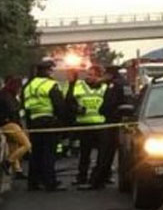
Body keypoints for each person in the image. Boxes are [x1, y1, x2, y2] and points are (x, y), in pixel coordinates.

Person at [21, 61, 68, 192]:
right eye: (50, 70)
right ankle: (50, 182)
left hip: (34, 121)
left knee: (36, 153)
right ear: (47, 71)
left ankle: (33, 183)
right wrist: (62, 122)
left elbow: (24, 104)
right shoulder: (50, 84)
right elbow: (59, 105)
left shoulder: (29, 86)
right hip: (49, 121)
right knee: (49, 153)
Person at [66, 65, 108, 187]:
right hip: (84, 124)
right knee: (84, 154)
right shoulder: (79, 86)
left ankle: (100, 177)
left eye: (91, 74)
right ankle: (81, 177)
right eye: (88, 74)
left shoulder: (105, 88)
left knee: (102, 155)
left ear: (99, 76)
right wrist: (76, 109)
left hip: (101, 125)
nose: (88, 77)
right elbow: (69, 101)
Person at [90, 65, 127, 189]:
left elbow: (109, 104)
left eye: (105, 74)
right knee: (116, 153)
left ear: (110, 74)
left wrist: (101, 110)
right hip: (123, 122)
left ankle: (97, 181)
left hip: (112, 121)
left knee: (105, 153)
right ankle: (105, 177)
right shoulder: (124, 83)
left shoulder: (114, 85)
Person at [1, 76, 31, 179]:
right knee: (26, 145)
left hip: (6, 124)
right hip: (10, 124)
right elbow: (13, 110)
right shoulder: (7, 96)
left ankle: (18, 170)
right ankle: (8, 162)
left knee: (13, 146)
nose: (20, 90)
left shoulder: (6, 94)